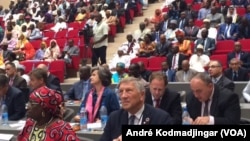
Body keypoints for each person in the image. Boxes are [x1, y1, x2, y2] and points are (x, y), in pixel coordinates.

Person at [100, 77, 173, 141]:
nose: (123, 96)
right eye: (121, 91)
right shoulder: (114, 117)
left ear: (142, 95)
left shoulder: (161, 118)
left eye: (128, 91)